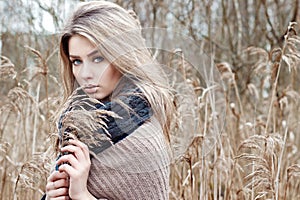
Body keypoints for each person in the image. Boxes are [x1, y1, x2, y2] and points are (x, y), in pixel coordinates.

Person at [43, 1, 174, 199]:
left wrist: (82, 195)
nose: (85, 74)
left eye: (97, 59)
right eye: (76, 61)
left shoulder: (142, 143)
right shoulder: (79, 127)